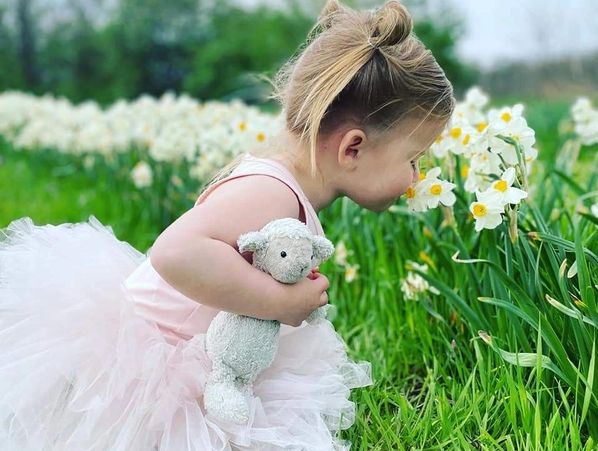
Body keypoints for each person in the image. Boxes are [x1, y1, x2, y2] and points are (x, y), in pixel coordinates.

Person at [0, 0, 454, 449]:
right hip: (155, 364)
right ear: (352, 148)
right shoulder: (272, 192)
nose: (417, 177)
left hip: (202, 354)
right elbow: (175, 252)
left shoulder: (286, 185)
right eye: (413, 158)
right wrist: (278, 301)